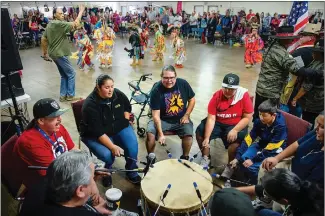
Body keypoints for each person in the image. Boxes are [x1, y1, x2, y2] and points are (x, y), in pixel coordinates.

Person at [20, 150, 137, 216]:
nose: (95, 179)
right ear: (80, 190)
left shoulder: (43, 184)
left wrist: (94, 210)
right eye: (92, 177)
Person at [80, 75, 141, 186]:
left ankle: (132, 172)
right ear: (98, 87)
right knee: (108, 155)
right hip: (94, 135)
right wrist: (112, 147)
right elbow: (97, 132)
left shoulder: (117, 94)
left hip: (118, 127)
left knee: (132, 148)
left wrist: (125, 120)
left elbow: (127, 106)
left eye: (112, 86)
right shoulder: (90, 105)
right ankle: (106, 173)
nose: (111, 90)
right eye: (107, 87)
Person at [253, 26, 318, 121]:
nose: (291, 42)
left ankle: (256, 131)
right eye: (290, 40)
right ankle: (263, 133)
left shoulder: (272, 47)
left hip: (261, 88)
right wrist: (317, 72)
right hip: (272, 92)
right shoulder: (282, 54)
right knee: (268, 118)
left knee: (258, 114)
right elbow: (297, 70)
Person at [13, 98, 77, 189]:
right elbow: (55, 173)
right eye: (55, 116)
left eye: (59, 114)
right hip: (45, 180)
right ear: (41, 121)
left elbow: (73, 149)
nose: (60, 119)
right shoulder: (31, 142)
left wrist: (86, 162)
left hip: (61, 168)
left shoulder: (58, 128)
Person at [196, 73, 253, 168]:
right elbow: (211, 118)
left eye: (231, 89)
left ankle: (230, 165)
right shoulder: (217, 96)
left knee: (237, 142)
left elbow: (247, 117)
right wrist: (206, 137)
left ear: (236, 88)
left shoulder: (243, 96)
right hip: (218, 121)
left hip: (235, 123)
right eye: (225, 87)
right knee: (200, 132)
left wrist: (235, 130)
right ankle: (206, 158)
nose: (227, 91)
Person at [224, 99, 287, 183]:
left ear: (273, 115)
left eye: (264, 115)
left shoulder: (280, 127)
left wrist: (253, 160)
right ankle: (244, 179)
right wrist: (237, 158)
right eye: (260, 114)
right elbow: (249, 139)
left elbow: (271, 149)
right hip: (262, 144)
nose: (261, 117)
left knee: (252, 167)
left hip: (274, 151)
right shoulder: (259, 121)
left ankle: (254, 185)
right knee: (242, 159)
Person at [146, 65, 195, 161]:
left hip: (181, 119)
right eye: (166, 78)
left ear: (175, 76)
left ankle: (185, 157)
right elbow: (155, 116)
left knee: (188, 134)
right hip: (162, 119)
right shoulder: (156, 90)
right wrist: (160, 134)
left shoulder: (183, 83)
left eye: (172, 77)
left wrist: (186, 115)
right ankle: (150, 157)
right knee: (150, 134)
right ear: (161, 77)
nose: (169, 81)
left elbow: (192, 100)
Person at [261, 111, 324, 186]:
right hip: (291, 165)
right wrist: (277, 158)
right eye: (317, 124)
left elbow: (310, 187)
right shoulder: (316, 134)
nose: (316, 128)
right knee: (265, 167)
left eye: (322, 127)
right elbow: (297, 144)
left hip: (298, 183)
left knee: (270, 181)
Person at [41, 5, 85, 102]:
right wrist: (81, 11)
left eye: (63, 13)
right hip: (59, 54)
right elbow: (75, 23)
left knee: (64, 75)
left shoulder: (50, 24)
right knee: (71, 73)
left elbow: (43, 39)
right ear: (54, 15)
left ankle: (63, 96)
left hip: (54, 53)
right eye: (60, 13)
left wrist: (45, 53)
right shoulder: (58, 24)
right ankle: (70, 95)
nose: (62, 15)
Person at [237, 169, 324, 216]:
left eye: (267, 195)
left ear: (284, 201)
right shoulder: (301, 187)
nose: (263, 194)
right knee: (262, 212)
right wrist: (230, 191)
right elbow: (261, 189)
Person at [289, 39, 324, 126]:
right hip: (320, 100)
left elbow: (306, 87)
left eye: (315, 52)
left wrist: (295, 98)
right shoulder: (316, 62)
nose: (313, 53)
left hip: (312, 103)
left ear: (320, 54)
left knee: (308, 122)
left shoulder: (317, 67)